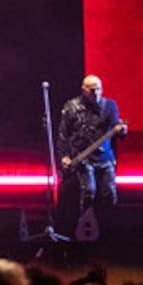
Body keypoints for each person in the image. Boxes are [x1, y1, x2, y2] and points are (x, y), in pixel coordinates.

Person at [56, 74, 127, 239]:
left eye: (98, 89)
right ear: (84, 90)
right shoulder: (72, 107)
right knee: (89, 191)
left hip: (105, 157)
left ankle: (106, 230)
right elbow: (63, 134)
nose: (96, 92)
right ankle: (83, 228)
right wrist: (64, 156)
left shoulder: (109, 105)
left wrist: (122, 131)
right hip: (82, 157)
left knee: (109, 193)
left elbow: (117, 128)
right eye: (92, 89)